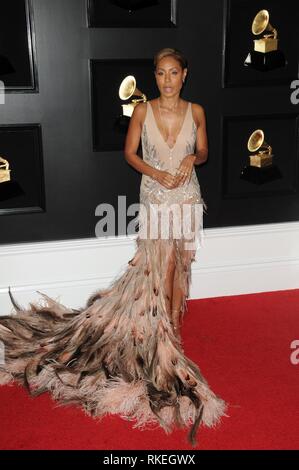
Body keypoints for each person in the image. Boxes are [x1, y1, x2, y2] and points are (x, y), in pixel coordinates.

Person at [0, 47, 226, 447]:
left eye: (173, 72)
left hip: (188, 200)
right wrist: (156, 171)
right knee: (161, 268)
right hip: (156, 198)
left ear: (184, 74)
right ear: (155, 76)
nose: (167, 79)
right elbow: (129, 153)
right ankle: (165, 335)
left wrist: (194, 156)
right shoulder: (142, 111)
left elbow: (206, 151)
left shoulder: (197, 111)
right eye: (160, 73)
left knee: (180, 267)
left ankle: (171, 331)